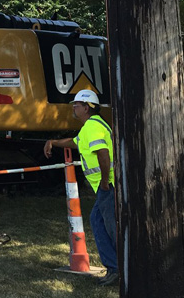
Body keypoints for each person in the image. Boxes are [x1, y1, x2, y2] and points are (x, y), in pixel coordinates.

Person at [44, 89, 118, 287]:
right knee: (101, 223)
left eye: (76, 105)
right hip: (106, 186)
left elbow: (103, 154)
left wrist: (104, 181)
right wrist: (54, 142)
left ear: (87, 108)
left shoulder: (93, 127)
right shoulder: (91, 126)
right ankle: (116, 267)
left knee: (109, 227)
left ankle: (118, 268)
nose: (73, 108)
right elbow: (75, 142)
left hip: (107, 186)